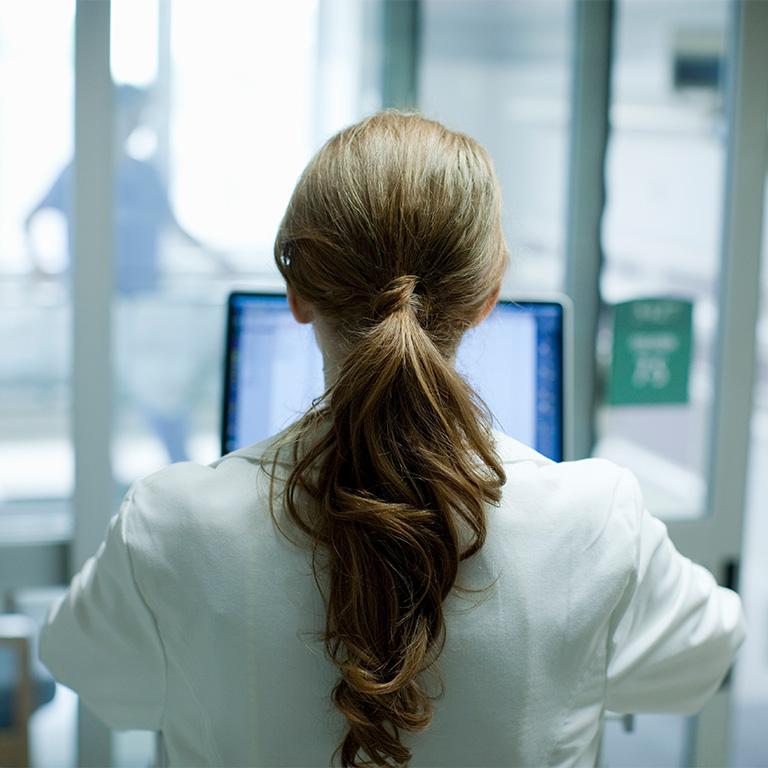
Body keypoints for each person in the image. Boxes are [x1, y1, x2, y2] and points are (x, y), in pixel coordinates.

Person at [39, 112, 745, 767]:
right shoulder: (594, 520)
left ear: (297, 291)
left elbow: (89, 670)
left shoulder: (171, 523)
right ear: (487, 296)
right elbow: (707, 655)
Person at [25, 84, 231, 463]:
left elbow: (172, 226)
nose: (136, 124)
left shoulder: (143, 174)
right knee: (113, 397)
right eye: (131, 114)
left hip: (141, 305)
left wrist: (215, 260)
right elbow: (32, 217)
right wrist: (41, 268)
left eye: (140, 116)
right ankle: (108, 475)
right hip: (95, 306)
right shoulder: (80, 170)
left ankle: (179, 468)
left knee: (158, 395)